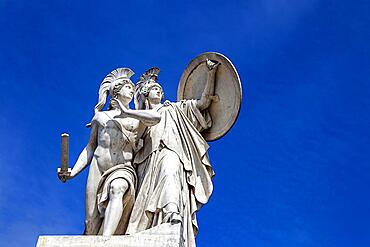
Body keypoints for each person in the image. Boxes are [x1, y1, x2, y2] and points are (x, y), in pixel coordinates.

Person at [123, 60, 219, 247]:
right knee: (144, 199)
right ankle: (153, 226)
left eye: (160, 89)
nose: (160, 91)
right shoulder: (137, 119)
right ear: (145, 94)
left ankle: (172, 213)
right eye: (155, 89)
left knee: (170, 171)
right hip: (147, 163)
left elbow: (204, 101)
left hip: (171, 152)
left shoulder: (175, 108)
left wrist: (210, 73)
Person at [58, 68, 160, 236]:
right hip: (98, 167)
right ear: (116, 92)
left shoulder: (136, 117)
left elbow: (156, 118)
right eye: (128, 86)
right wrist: (73, 172)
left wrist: (127, 112)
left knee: (117, 188)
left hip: (123, 168)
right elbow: (90, 147)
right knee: (90, 223)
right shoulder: (100, 117)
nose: (132, 89)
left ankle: (106, 241)